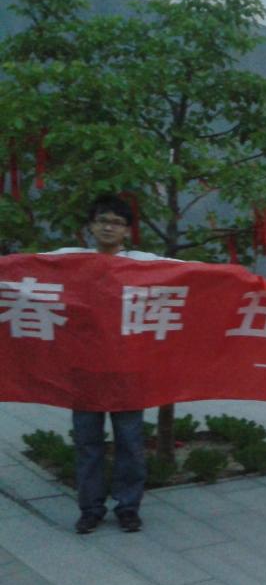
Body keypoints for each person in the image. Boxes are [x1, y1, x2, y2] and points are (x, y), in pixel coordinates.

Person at [47, 194, 164, 534]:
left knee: (130, 442)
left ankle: (128, 507)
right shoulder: (71, 260)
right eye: (102, 221)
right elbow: (27, 268)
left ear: (127, 230)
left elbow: (188, 274)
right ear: (91, 226)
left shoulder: (143, 263)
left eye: (116, 222)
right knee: (87, 443)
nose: (109, 228)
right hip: (84, 371)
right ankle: (90, 508)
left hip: (127, 370)